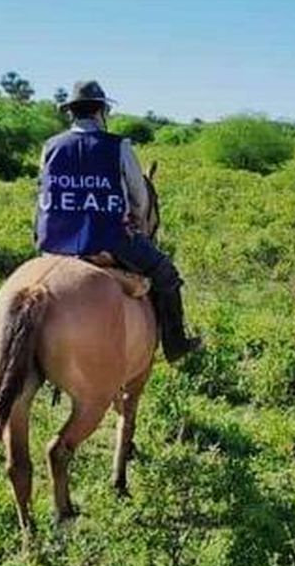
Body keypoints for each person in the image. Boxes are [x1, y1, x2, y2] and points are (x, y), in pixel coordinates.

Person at [36, 80, 201, 362]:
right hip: (110, 239)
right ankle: (176, 344)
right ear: (101, 111)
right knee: (166, 274)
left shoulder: (51, 146)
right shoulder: (118, 146)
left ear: (70, 113)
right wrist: (134, 218)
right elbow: (138, 196)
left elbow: (44, 190)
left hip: (55, 243)